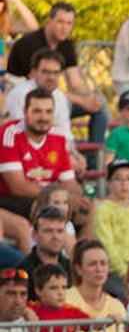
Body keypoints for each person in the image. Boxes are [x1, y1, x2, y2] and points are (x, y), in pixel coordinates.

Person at [4, 2, 109, 161]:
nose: (64, 27)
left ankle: (92, 164)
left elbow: (75, 82)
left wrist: (89, 98)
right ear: (49, 20)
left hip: (55, 101)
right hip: (26, 103)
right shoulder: (29, 43)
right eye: (60, 22)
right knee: (58, 107)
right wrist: (80, 99)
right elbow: (40, 87)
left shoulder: (66, 44)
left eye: (69, 23)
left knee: (100, 105)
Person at [0, 88, 81, 237]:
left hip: (49, 196)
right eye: (37, 111)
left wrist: (73, 199)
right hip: (11, 199)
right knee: (43, 208)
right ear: (25, 111)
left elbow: (70, 184)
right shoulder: (9, 133)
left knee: (88, 210)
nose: (43, 117)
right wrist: (54, 196)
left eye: (48, 112)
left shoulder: (58, 137)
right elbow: (18, 187)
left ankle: (85, 259)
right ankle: (38, 259)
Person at [4, 47, 84, 174]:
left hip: (48, 156)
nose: (51, 77)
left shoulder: (60, 96)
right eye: (46, 72)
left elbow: (65, 135)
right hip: (19, 156)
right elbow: (24, 135)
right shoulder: (20, 94)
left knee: (75, 168)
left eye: (56, 72)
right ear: (34, 72)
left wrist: (74, 155)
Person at [93, 159, 129, 290]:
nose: (124, 184)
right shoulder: (103, 210)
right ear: (109, 183)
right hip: (111, 271)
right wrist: (125, 272)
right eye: (118, 179)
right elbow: (106, 245)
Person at [17, 206, 72, 299]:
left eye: (60, 231)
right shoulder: (22, 272)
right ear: (34, 235)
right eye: (48, 231)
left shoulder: (72, 268)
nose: (55, 237)